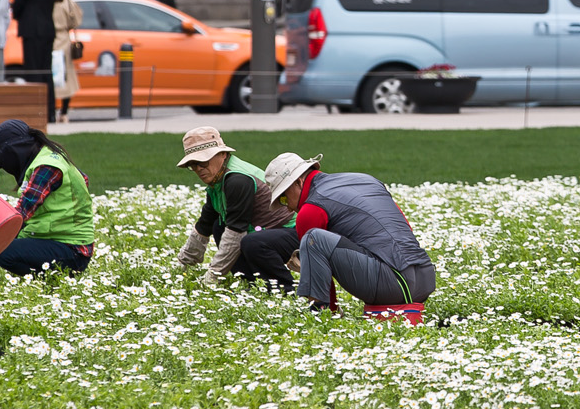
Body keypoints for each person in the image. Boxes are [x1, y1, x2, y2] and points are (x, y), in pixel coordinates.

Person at [266, 151, 437, 311]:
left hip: (393, 287)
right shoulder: (365, 180)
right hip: (425, 278)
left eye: (283, 198)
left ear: (298, 182)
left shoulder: (310, 209)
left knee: (313, 239)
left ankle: (320, 312)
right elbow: (404, 225)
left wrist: (327, 313)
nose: (287, 208)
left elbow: (318, 272)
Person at [175, 126, 297, 289]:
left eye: (203, 162)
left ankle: (283, 288)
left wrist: (213, 275)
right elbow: (204, 225)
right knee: (218, 226)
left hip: (292, 234)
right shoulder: (217, 182)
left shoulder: (237, 180)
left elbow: (236, 232)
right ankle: (251, 283)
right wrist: (183, 264)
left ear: (222, 154)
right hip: (265, 232)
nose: (198, 169)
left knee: (252, 242)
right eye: (193, 165)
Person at [0, 119, 95, 275]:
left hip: (71, 250)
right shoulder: (51, 156)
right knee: (0, 247)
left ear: (14, 152)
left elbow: (21, 214)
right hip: (62, 243)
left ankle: (42, 282)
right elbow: (84, 180)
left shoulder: (46, 166)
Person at [11, 0, 62, 122]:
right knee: (46, 71)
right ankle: (49, 112)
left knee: (33, 72)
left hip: (32, 29)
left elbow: (19, 1)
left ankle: (36, 113)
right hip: (48, 28)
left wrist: (16, 14)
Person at [52, 0, 84, 123]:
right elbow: (76, 20)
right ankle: (64, 111)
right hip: (64, 41)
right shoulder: (66, 1)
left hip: (50, 40)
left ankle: (51, 110)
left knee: (51, 78)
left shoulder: (46, 2)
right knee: (66, 79)